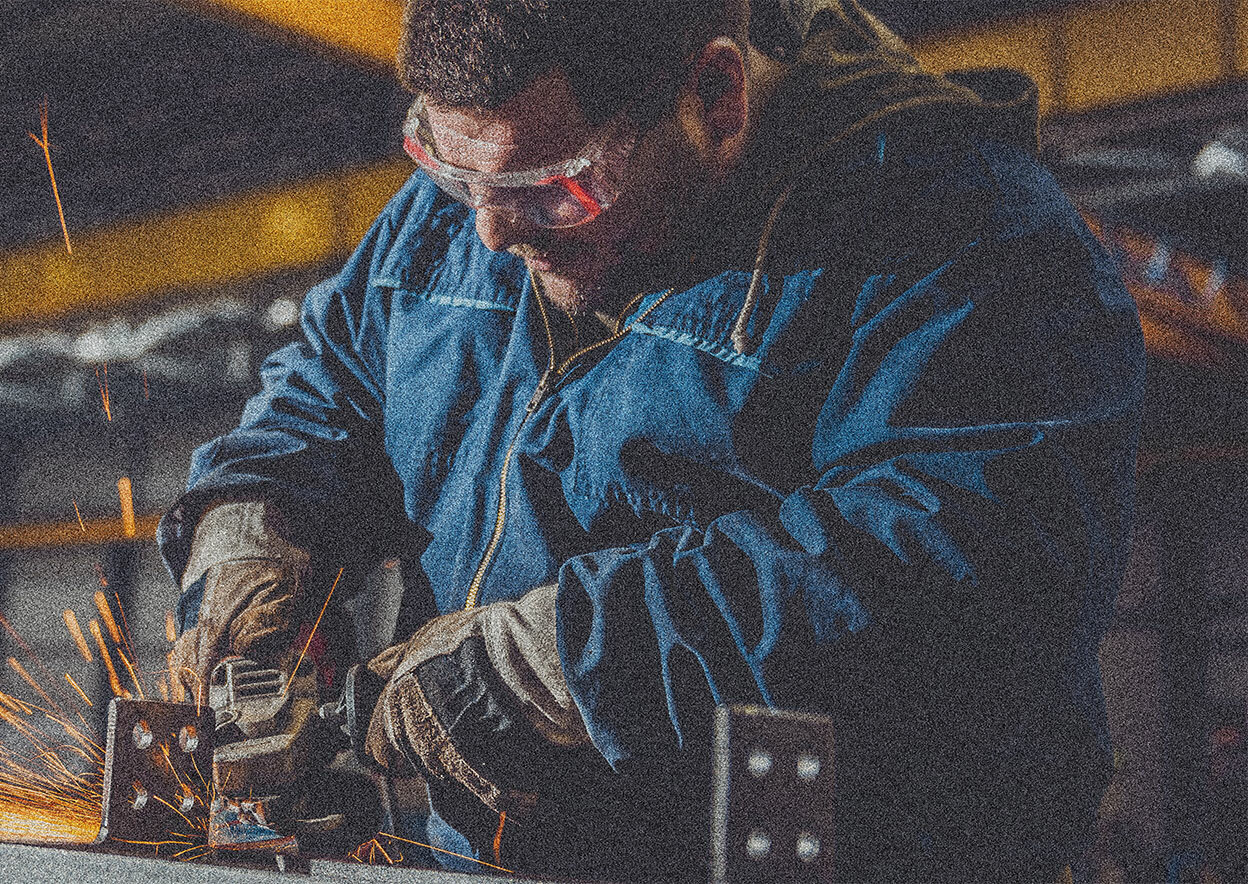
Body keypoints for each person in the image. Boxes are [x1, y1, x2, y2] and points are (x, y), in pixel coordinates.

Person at [160, 0, 1143, 879]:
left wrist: (553, 661)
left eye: (556, 187)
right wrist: (250, 539)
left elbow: (956, 570)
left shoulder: (962, 233)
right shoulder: (471, 200)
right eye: (446, 166)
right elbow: (324, 387)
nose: (492, 234)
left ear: (712, 98)